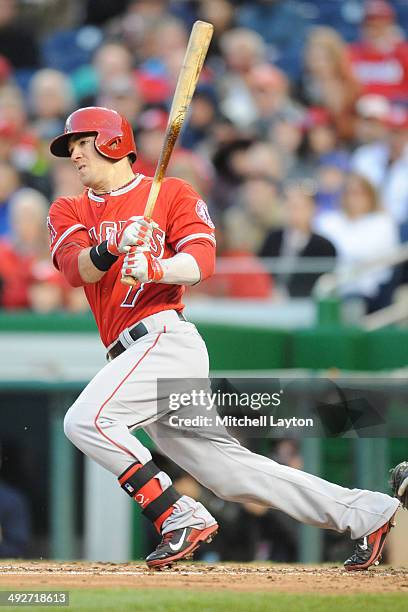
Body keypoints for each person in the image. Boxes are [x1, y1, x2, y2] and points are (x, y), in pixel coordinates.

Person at [47, 106, 407, 570]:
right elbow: (77, 269)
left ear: (113, 142)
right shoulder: (69, 208)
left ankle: (177, 514)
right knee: (232, 474)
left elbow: (202, 260)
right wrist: (112, 247)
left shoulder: (173, 193)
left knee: (86, 421)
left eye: (81, 143)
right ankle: (367, 513)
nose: (74, 155)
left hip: (164, 341)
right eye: (70, 147)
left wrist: (157, 266)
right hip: (128, 353)